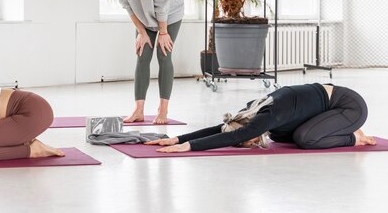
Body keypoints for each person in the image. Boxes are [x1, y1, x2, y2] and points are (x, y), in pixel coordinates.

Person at [145, 83, 376, 152]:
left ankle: (354, 137)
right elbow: (223, 128)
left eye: (242, 141)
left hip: (349, 107)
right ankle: (335, 128)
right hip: (327, 108)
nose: (246, 143)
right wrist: (177, 138)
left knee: (306, 140)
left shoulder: (266, 117)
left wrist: (188, 146)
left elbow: (238, 133)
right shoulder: (252, 112)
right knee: (285, 136)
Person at [110, 0, 185, 124]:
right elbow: (127, 4)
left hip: (169, 14)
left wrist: (163, 32)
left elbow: (162, 6)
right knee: (142, 55)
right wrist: (142, 32)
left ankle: (163, 109)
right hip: (143, 17)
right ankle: (138, 110)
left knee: (163, 54)